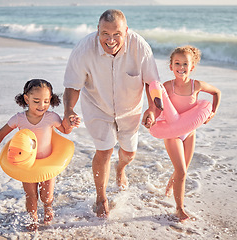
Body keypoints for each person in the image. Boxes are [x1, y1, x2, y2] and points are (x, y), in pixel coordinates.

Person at [62, 9, 159, 217]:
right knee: (104, 149)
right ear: (98, 30)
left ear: (126, 31)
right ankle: (101, 197)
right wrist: (69, 110)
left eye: (117, 34)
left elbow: (152, 82)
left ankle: (120, 169)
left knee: (129, 154)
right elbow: (72, 85)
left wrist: (151, 108)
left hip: (129, 109)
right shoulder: (84, 49)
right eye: (105, 33)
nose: (111, 39)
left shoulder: (140, 47)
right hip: (97, 106)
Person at [0, 79, 78, 231]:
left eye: (46, 101)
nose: (42, 105)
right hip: (26, 164)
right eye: (36, 101)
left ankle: (48, 207)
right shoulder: (19, 118)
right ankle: (32, 218)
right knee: (31, 195)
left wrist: (71, 122)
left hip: (47, 163)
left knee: (46, 196)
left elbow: (65, 130)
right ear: (26, 99)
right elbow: (0, 134)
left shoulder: (51, 117)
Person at [151, 46, 221, 221]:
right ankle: (179, 208)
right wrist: (151, 115)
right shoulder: (167, 86)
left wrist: (213, 113)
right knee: (181, 171)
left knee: (182, 171)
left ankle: (170, 186)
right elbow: (157, 105)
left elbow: (216, 92)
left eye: (185, 64)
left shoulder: (196, 85)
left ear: (192, 67)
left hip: (189, 133)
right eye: (177, 63)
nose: (181, 67)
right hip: (172, 134)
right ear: (171, 66)